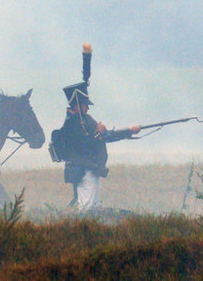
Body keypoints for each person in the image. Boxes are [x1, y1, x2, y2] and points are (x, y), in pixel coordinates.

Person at [53, 81, 140, 211]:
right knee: (87, 208)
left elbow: (105, 136)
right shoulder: (71, 124)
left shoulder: (85, 119)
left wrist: (129, 131)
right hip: (83, 169)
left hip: (91, 167)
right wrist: (99, 133)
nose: (87, 108)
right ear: (77, 105)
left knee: (94, 207)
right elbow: (84, 146)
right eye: (85, 105)